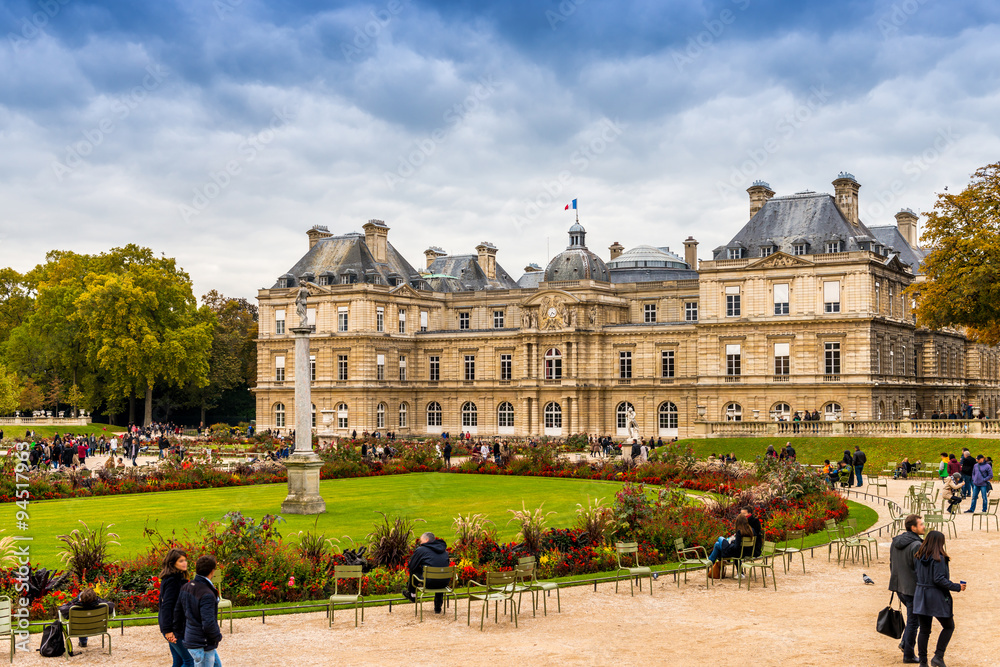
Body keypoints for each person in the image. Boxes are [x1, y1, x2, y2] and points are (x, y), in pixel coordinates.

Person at [913, 530, 964, 667]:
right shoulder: (939, 558)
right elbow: (938, 579)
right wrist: (957, 587)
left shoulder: (918, 556)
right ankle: (938, 656)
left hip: (920, 594)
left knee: (924, 630)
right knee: (949, 626)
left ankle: (923, 662)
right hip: (935, 597)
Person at [174, 555, 223, 667]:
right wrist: (217, 636)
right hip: (202, 643)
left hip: (193, 638)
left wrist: (178, 632)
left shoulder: (187, 587)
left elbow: (178, 612)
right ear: (212, 571)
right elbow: (208, 623)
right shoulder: (206, 594)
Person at [889, 514, 925, 664]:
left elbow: (892, 563)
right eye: (921, 524)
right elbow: (920, 570)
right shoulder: (916, 545)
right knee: (913, 621)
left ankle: (905, 644)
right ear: (913, 528)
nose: (924, 526)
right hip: (912, 589)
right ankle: (909, 654)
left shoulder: (895, 542)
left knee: (912, 619)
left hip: (899, 586)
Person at [160, 549, 194, 667]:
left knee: (179, 661)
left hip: (174, 625)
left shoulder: (174, 579)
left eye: (185, 560)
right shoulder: (173, 581)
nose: (184, 563)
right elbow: (167, 605)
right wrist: (168, 630)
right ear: (172, 563)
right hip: (174, 627)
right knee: (190, 661)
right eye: (181, 561)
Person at [402, 532, 451, 613]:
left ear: (427, 540)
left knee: (414, 570)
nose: (420, 543)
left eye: (421, 541)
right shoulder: (444, 550)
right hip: (444, 583)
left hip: (429, 583)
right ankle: (438, 607)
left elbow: (411, 566)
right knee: (439, 574)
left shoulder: (421, 550)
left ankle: (412, 595)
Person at [57, 588, 115, 652]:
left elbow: (63, 610)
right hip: (97, 628)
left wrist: (76, 601)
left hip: (80, 628)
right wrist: (98, 600)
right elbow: (111, 605)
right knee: (82, 595)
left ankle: (83, 642)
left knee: (81, 622)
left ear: (81, 599)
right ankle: (83, 642)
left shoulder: (73, 608)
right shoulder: (103, 606)